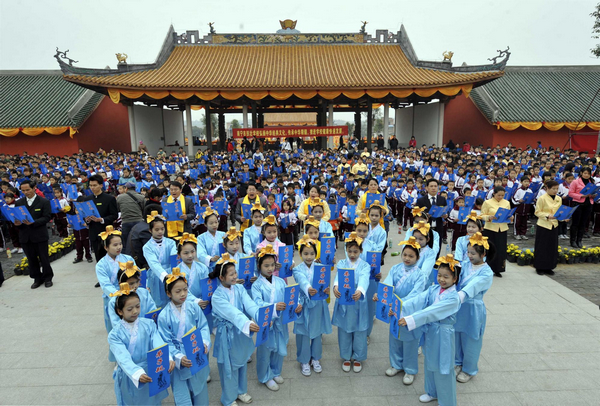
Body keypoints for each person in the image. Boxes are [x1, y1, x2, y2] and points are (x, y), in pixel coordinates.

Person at [398, 255, 461, 406]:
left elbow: (431, 311)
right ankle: (432, 392)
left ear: (455, 279)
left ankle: (447, 402)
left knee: (443, 367)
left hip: (443, 335)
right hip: (431, 331)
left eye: (446, 276)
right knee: (430, 363)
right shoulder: (434, 289)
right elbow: (418, 300)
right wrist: (399, 308)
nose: (441, 279)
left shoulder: (453, 298)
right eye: (439, 275)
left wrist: (410, 319)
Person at [108, 284, 174, 405]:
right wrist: (136, 372)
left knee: (153, 401)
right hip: (131, 373)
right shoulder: (114, 334)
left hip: (150, 369)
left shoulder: (148, 324)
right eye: (129, 309)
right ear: (119, 311)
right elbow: (123, 357)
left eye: (138, 307)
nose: (135, 311)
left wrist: (166, 358)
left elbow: (158, 342)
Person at [375, 236, 427, 384]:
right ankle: (396, 364)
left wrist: (400, 304)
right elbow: (388, 284)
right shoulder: (395, 268)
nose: (407, 258)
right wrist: (381, 296)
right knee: (395, 337)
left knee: (410, 341)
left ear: (417, 257)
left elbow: (416, 294)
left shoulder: (420, 275)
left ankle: (410, 369)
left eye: (411, 256)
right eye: (405, 255)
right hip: (394, 308)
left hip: (409, 310)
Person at [157, 268, 211, 406]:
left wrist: (204, 342)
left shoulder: (193, 307)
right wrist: (178, 357)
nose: (183, 294)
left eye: (185, 290)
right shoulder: (164, 315)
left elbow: (203, 326)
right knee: (182, 395)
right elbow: (165, 340)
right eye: (178, 291)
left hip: (195, 350)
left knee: (200, 389)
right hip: (179, 355)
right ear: (168, 293)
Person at [211, 256, 260, 406]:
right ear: (221, 277)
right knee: (228, 367)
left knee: (242, 362)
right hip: (227, 334)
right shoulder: (217, 296)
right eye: (230, 274)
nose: (234, 276)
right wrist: (246, 322)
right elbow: (232, 312)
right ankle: (229, 397)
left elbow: (249, 303)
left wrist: (260, 316)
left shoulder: (239, 288)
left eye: (235, 273)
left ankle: (241, 391)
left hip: (241, 332)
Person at [252, 245, 299, 391]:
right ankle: (265, 376)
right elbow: (258, 303)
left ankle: (276, 370)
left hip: (280, 321)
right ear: (259, 266)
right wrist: (273, 307)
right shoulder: (256, 285)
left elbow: (289, 296)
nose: (270, 268)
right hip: (266, 322)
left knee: (279, 347)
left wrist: (297, 304)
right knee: (265, 349)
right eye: (266, 265)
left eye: (272, 265)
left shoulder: (279, 281)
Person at [455, 233, 494, 384]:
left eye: (473, 253)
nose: (469, 256)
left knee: (471, 338)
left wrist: (458, 296)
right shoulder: (464, 264)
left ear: (483, 254)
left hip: (473, 308)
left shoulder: (486, 272)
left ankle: (469, 369)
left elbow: (472, 287)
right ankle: (457, 362)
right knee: (457, 335)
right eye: (468, 252)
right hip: (459, 306)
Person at [292, 235, 332, 376]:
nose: (309, 257)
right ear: (300, 253)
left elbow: (325, 284)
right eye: (305, 253)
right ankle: (304, 360)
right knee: (303, 333)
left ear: (316, 254)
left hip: (318, 304)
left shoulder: (321, 268)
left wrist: (326, 290)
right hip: (303, 304)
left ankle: (315, 358)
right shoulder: (297, 269)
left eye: (312, 254)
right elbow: (301, 281)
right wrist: (309, 288)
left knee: (316, 332)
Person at [332, 232, 370, 373]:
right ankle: (346, 356)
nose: (352, 254)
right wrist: (335, 286)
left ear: (361, 251)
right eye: (350, 251)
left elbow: (364, 278)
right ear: (346, 250)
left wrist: (360, 290)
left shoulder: (365, 265)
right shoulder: (342, 263)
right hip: (344, 300)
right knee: (344, 329)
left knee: (360, 329)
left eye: (355, 251)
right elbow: (338, 277)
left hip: (358, 300)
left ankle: (358, 357)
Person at [14, 180, 54, 288]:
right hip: (25, 235)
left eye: (28, 190)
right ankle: (37, 278)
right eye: (23, 190)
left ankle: (47, 277)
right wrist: (16, 223)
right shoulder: (19, 203)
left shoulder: (43, 201)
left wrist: (34, 222)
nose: (26, 192)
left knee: (44, 258)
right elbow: (17, 217)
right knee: (31, 259)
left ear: (34, 188)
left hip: (39, 234)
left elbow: (47, 217)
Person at [142, 212, 177, 307]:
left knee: (173, 301)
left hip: (171, 273)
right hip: (156, 275)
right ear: (150, 230)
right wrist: (164, 275)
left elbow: (174, 257)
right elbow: (153, 263)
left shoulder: (171, 242)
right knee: (158, 302)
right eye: (156, 229)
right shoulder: (147, 247)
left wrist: (174, 272)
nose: (160, 232)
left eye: (162, 229)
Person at [85, 174, 119, 266]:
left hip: (106, 232)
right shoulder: (87, 199)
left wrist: (101, 219)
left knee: (110, 259)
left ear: (101, 185)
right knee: (99, 259)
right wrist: (87, 220)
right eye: (91, 185)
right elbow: (85, 216)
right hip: (94, 232)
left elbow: (114, 215)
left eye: (95, 185)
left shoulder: (109, 198)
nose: (92, 187)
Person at [533, 180, 564, 275]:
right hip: (544, 225)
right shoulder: (542, 198)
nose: (555, 191)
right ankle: (539, 267)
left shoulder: (559, 199)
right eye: (553, 189)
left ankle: (549, 266)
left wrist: (564, 218)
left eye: (557, 189)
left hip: (554, 225)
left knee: (552, 247)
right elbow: (537, 212)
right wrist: (547, 215)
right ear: (547, 189)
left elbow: (560, 212)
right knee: (542, 246)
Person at [480, 186, 512, 277]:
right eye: (498, 195)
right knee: (490, 249)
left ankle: (498, 269)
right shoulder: (487, 202)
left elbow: (508, 214)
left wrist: (510, 217)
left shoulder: (506, 203)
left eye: (502, 195)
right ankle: (487, 268)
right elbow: (482, 215)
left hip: (502, 228)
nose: (500, 197)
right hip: (490, 228)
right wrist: (488, 217)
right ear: (494, 194)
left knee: (501, 250)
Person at [568, 167, 596, 248]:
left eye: (588, 173)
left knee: (583, 223)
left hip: (588, 203)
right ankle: (573, 240)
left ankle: (579, 240)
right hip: (578, 203)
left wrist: (594, 195)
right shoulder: (575, 182)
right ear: (581, 173)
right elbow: (571, 193)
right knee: (576, 223)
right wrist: (582, 196)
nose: (587, 175)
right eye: (585, 173)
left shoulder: (591, 182)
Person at [417, 179, 447, 253]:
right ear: (426, 188)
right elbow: (416, 215)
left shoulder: (442, 199)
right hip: (425, 229)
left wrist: (446, 215)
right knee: (425, 250)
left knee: (437, 249)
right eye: (431, 186)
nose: (433, 188)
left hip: (438, 228)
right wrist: (424, 216)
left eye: (435, 186)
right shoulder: (421, 200)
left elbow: (446, 210)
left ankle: (435, 264)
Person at [116, 182, 145, 252]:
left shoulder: (120, 198)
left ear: (126, 189)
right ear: (135, 189)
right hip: (139, 222)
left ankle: (126, 259)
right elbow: (144, 209)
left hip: (126, 222)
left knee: (125, 242)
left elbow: (118, 209)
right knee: (139, 241)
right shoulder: (141, 197)